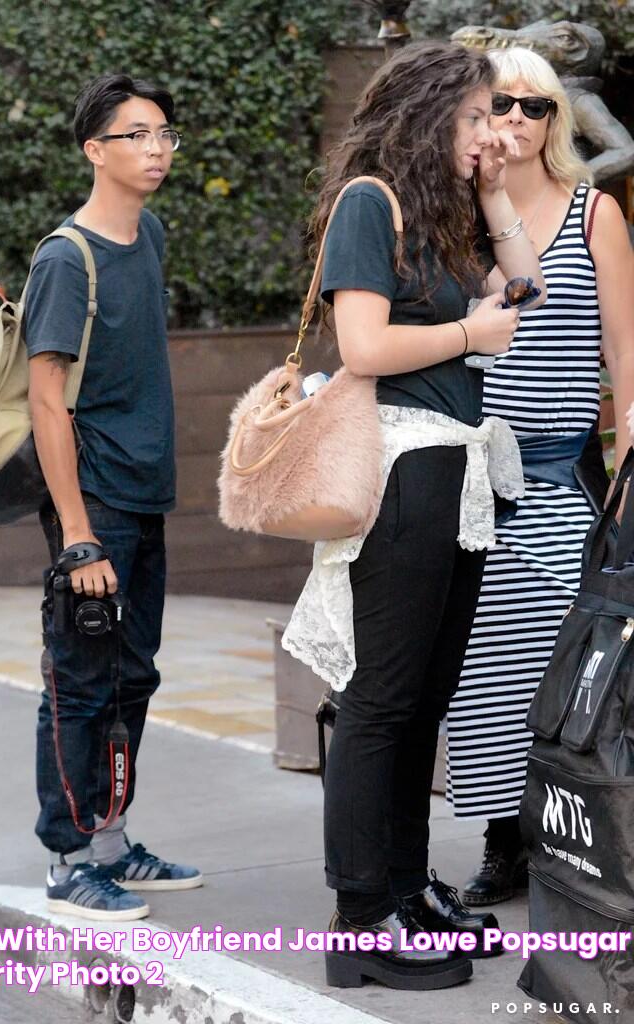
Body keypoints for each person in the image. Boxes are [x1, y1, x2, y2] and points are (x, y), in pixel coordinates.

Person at [283, 41, 545, 991]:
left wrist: (495, 196)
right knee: (381, 700)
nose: (491, 132)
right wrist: (472, 332)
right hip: (397, 468)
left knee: (424, 698)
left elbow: (533, 286)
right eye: (477, 116)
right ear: (430, 111)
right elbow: (360, 343)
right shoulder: (370, 201)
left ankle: (402, 887)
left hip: (457, 472)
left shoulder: (447, 212)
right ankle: (359, 916)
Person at [446, 47, 634, 906]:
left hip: (565, 476)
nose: (516, 121)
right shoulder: (456, 210)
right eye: (500, 105)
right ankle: (502, 843)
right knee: (483, 667)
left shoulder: (596, 213)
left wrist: (629, 451)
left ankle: (568, 837)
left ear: (556, 120)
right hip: (469, 478)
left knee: (564, 661)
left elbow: (624, 352)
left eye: (534, 106)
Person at [24, 73, 202, 921]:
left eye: (164, 133)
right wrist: (77, 535)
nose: (158, 148)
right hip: (93, 501)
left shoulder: (152, 233)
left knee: (132, 677)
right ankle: (67, 860)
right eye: (137, 134)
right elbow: (46, 400)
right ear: (96, 150)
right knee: (79, 684)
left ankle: (111, 843)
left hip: (144, 493)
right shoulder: (67, 257)